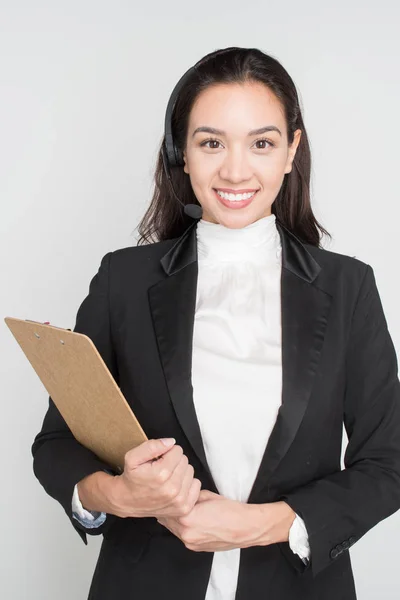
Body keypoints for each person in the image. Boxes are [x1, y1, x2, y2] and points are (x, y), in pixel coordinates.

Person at [31, 47, 400, 600]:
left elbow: (387, 462)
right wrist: (118, 496)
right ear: (181, 153)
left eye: (261, 143)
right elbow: (56, 445)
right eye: (211, 143)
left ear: (291, 150)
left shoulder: (348, 288)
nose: (234, 169)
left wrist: (262, 524)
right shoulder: (123, 281)